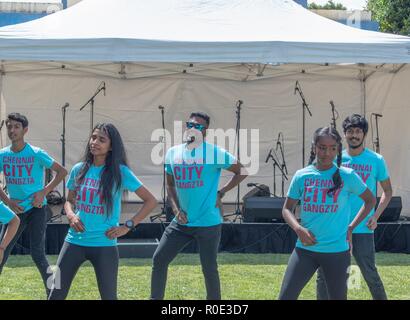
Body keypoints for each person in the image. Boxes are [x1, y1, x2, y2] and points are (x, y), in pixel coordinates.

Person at [48, 123, 157, 300]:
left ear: (111, 146)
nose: (95, 142)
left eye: (101, 139)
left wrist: (127, 226)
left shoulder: (120, 172)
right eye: (93, 137)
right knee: (55, 294)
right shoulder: (79, 169)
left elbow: (150, 201)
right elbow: (68, 201)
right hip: (74, 241)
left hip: (104, 244)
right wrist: (71, 215)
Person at [150, 112, 248, 300]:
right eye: (191, 124)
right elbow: (170, 184)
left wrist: (222, 192)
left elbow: (242, 170)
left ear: (206, 131)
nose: (194, 129)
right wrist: (176, 210)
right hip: (181, 223)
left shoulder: (214, 152)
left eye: (200, 127)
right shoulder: (173, 153)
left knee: (209, 268)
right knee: (159, 259)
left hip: (208, 223)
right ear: (186, 126)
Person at [278, 126, 376, 300]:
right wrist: (298, 228)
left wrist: (351, 227)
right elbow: (287, 209)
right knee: (285, 297)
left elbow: (370, 200)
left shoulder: (348, 175)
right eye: (322, 148)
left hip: (337, 252)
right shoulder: (302, 175)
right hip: (305, 250)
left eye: (332, 148)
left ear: (338, 149)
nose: (327, 153)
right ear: (314, 147)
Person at [316, 115, 392, 300]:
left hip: (363, 228)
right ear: (344, 134)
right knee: (325, 274)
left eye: (358, 131)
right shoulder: (335, 158)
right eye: (350, 131)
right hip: (335, 227)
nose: (354, 135)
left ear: (364, 134)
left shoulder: (376, 160)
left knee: (369, 273)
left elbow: (387, 191)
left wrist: (376, 216)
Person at [0, 112, 67, 297]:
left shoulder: (37, 153)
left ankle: (52, 293)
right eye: (9, 126)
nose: (12, 130)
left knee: (38, 254)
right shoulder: (3, 155)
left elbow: (62, 172)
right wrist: (8, 201)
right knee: (2, 250)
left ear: (25, 130)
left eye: (16, 127)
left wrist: (43, 192)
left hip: (37, 210)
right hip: (14, 212)